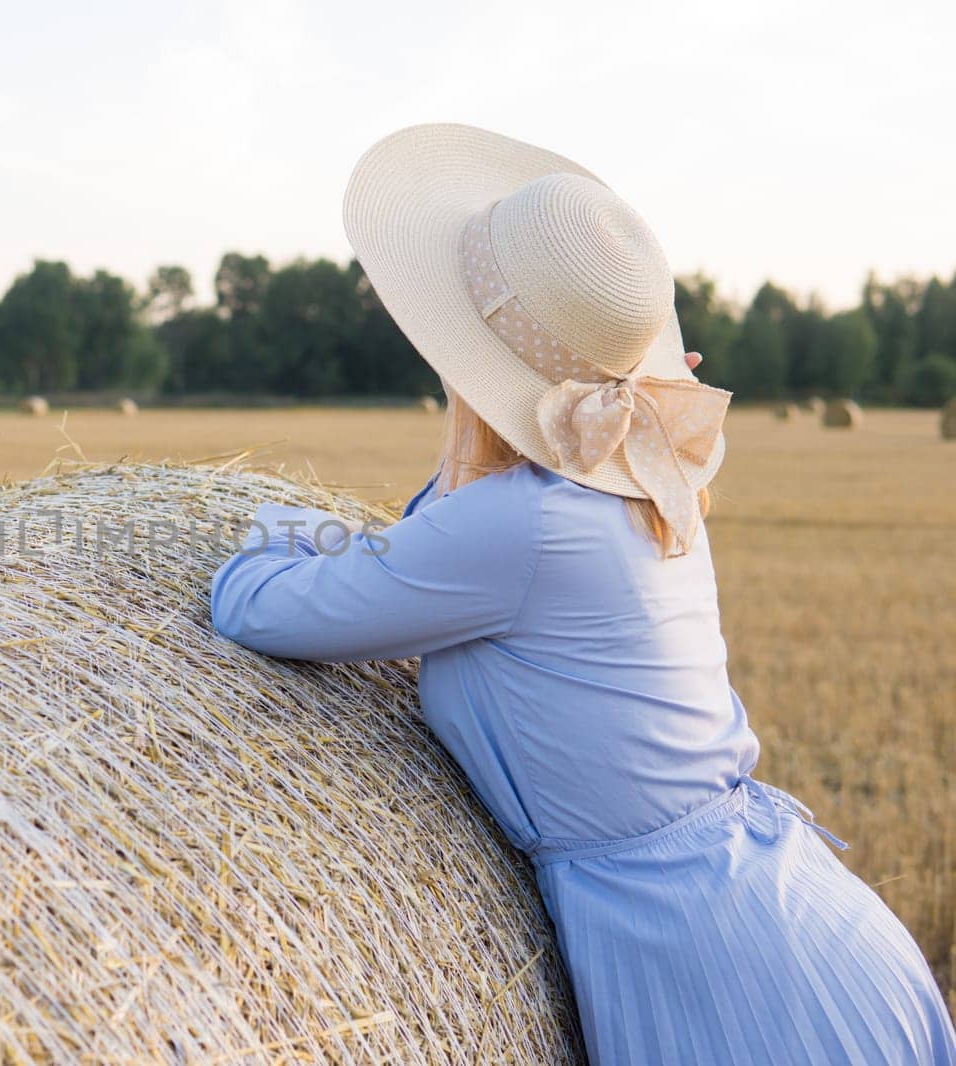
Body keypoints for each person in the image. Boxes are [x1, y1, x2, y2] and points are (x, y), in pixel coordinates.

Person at [208, 123, 956, 1064]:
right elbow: (429, 548)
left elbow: (257, 607)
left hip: (720, 969)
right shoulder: (643, 478)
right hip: (793, 919)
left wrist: (260, 523)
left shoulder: (520, 524)